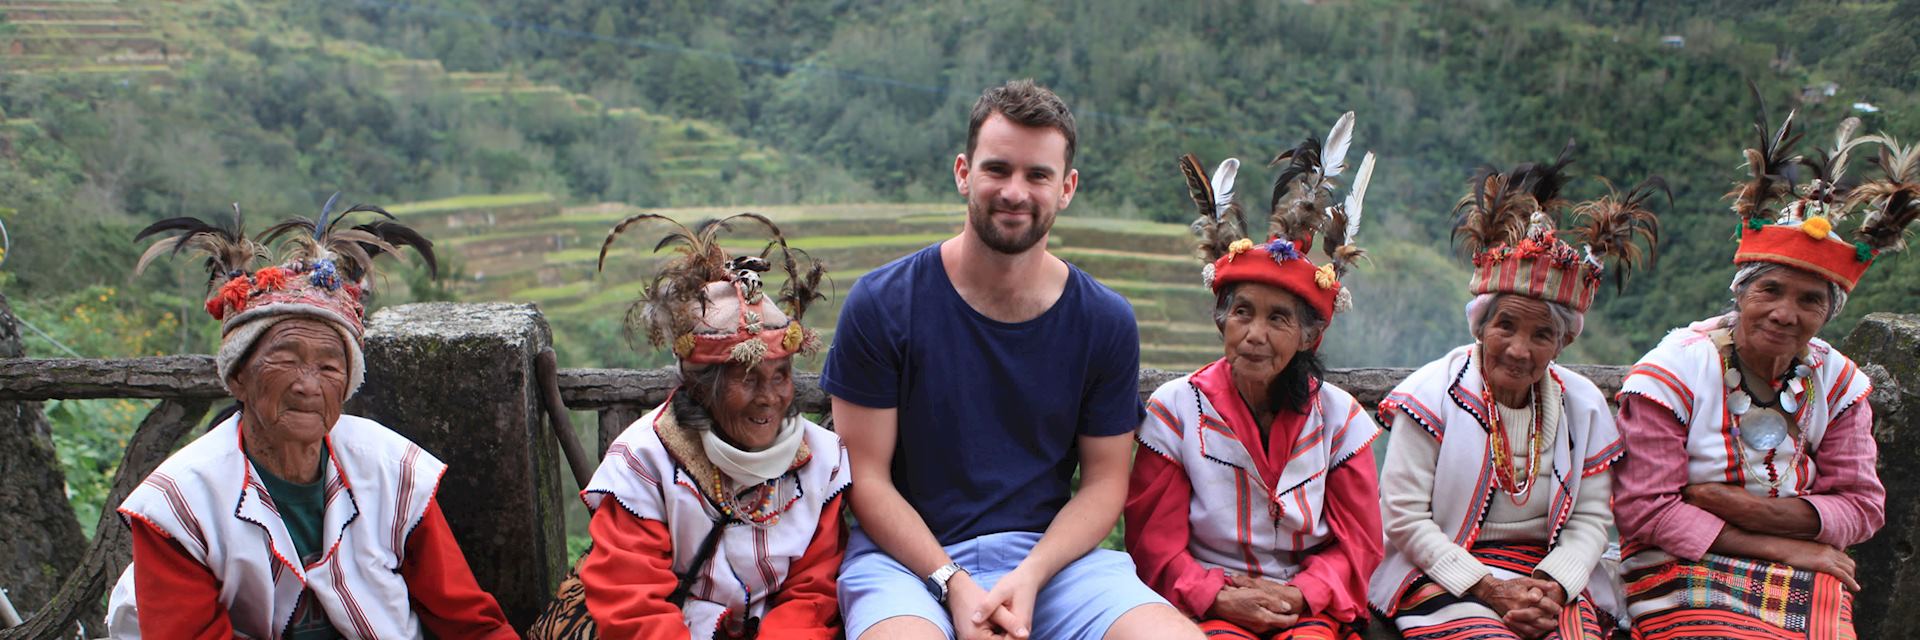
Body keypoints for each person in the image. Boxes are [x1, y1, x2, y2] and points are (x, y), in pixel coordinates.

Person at [823, 79, 1202, 640]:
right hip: (904, 563)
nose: (1015, 192)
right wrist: (953, 584)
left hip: (1050, 562)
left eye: (1038, 175)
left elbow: (1103, 484)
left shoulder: (1104, 321)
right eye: (997, 169)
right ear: (963, 172)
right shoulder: (884, 304)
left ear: (1067, 187)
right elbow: (868, 480)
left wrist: (1029, 578)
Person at [106, 197, 515, 639]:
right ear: (238, 379)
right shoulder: (180, 503)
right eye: (285, 360)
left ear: (348, 385)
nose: (308, 384)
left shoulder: (391, 469)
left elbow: (468, 621)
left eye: (328, 366)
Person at [1611, 109, 1900, 638]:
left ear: (1827, 314)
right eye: (1769, 290)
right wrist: (1779, 542)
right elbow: (1647, 514)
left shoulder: (1837, 384)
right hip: (1679, 559)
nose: (1785, 313)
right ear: (1740, 293)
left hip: (1804, 568)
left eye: (1809, 300)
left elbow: (1862, 505)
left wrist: (1740, 506)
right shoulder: (1670, 373)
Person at [1370, 146, 1664, 640]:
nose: (1519, 350)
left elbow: (1592, 517)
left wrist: (1552, 585)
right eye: (1505, 325)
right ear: (1481, 326)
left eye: (1541, 335)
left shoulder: (1583, 405)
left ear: (1562, 342)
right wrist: (1487, 588)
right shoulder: (1430, 395)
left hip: (1546, 576)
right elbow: (1403, 516)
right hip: (1443, 570)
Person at [526, 214, 848, 640]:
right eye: (748, 378)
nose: (770, 397)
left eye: (780, 376)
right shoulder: (645, 462)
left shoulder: (820, 462)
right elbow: (634, 600)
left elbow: (813, 592)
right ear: (702, 388)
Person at [1125, 117, 1386, 640]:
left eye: (1278, 318)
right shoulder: (1177, 412)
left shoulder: (1339, 421)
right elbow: (1155, 545)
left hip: (1308, 608)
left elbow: (1359, 543)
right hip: (1207, 605)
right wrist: (1216, 595)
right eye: (1242, 312)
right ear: (1222, 318)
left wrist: (1302, 593)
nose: (1254, 334)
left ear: (1310, 337)